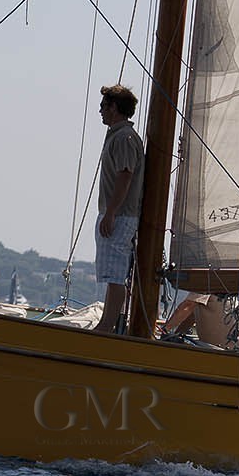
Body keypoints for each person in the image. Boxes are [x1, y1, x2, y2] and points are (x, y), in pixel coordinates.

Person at [95, 83, 144, 334]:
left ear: (114, 107)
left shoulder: (124, 138)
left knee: (114, 275)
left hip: (120, 215)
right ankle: (107, 322)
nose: (100, 111)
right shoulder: (119, 135)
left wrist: (111, 212)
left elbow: (126, 175)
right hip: (116, 214)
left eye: (103, 106)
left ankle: (106, 327)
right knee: (111, 273)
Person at [163, 293, 239, 351]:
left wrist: (164, 330)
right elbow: (191, 316)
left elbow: (188, 306)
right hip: (225, 349)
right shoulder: (208, 279)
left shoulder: (206, 280)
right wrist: (175, 335)